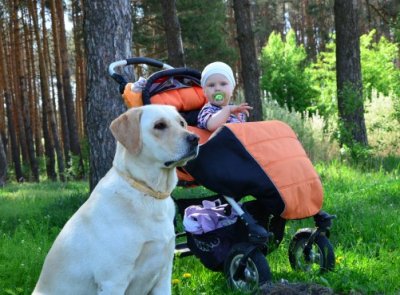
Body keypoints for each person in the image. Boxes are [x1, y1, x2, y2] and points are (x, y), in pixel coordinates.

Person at [197, 61, 252, 132]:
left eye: (223, 84)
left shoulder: (236, 110)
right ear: (204, 92)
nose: (217, 88)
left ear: (232, 89)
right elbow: (212, 126)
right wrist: (228, 110)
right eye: (211, 85)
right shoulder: (207, 110)